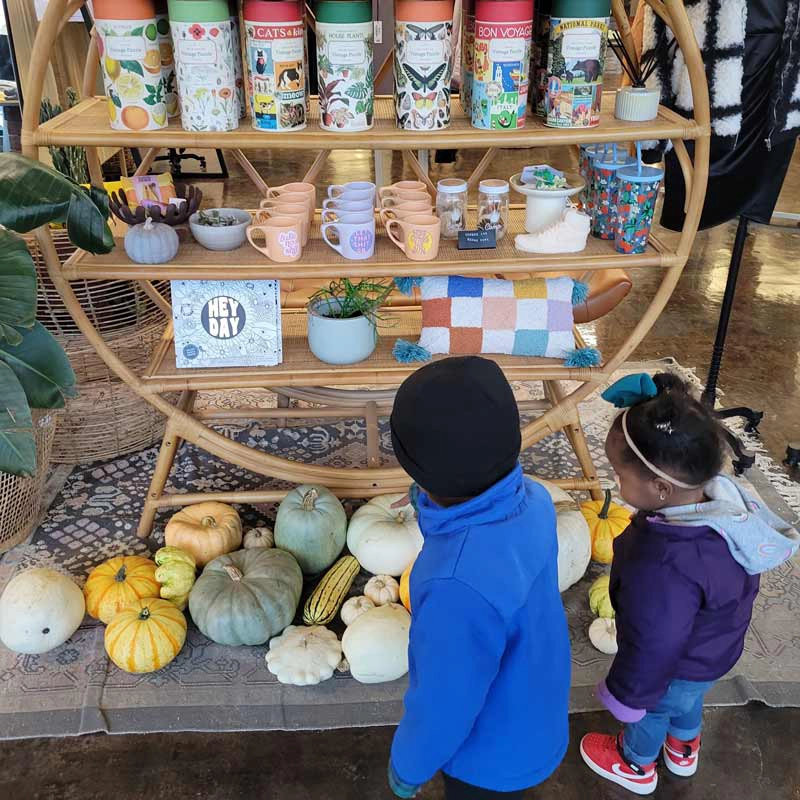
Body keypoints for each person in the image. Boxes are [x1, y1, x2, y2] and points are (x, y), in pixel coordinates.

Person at [581, 372, 799, 796]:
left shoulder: (662, 562)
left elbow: (654, 642)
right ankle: (683, 749)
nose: (615, 485)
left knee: (652, 712)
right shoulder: (726, 507)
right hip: (712, 653)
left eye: (619, 476)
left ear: (661, 488)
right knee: (687, 702)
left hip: (670, 667)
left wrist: (630, 695)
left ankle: (635, 763)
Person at [387, 356, 571, 800]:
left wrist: (409, 766)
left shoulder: (453, 584)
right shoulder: (538, 501)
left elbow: (445, 700)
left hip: (487, 757)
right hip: (538, 712)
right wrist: (431, 501)